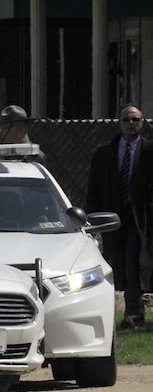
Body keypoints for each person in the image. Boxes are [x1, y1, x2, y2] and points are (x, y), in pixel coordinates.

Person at [87, 104, 152, 329]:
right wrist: (92, 218)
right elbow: (94, 187)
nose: (131, 124)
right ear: (120, 123)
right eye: (127, 120)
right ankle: (115, 312)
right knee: (114, 264)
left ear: (142, 123)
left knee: (133, 261)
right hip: (112, 216)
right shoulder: (105, 152)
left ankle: (133, 314)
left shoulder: (148, 151)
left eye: (136, 120)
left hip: (138, 218)